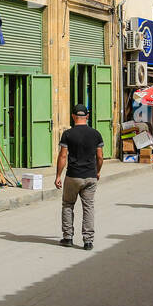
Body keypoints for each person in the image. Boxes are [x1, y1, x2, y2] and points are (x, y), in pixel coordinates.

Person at [55, 104, 105, 250]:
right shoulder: (96, 134)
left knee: (68, 205)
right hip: (90, 175)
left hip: (73, 176)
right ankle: (88, 241)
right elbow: (100, 157)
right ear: (87, 117)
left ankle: (68, 237)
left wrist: (58, 175)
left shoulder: (68, 134)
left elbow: (63, 156)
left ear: (73, 116)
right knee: (88, 207)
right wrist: (97, 171)